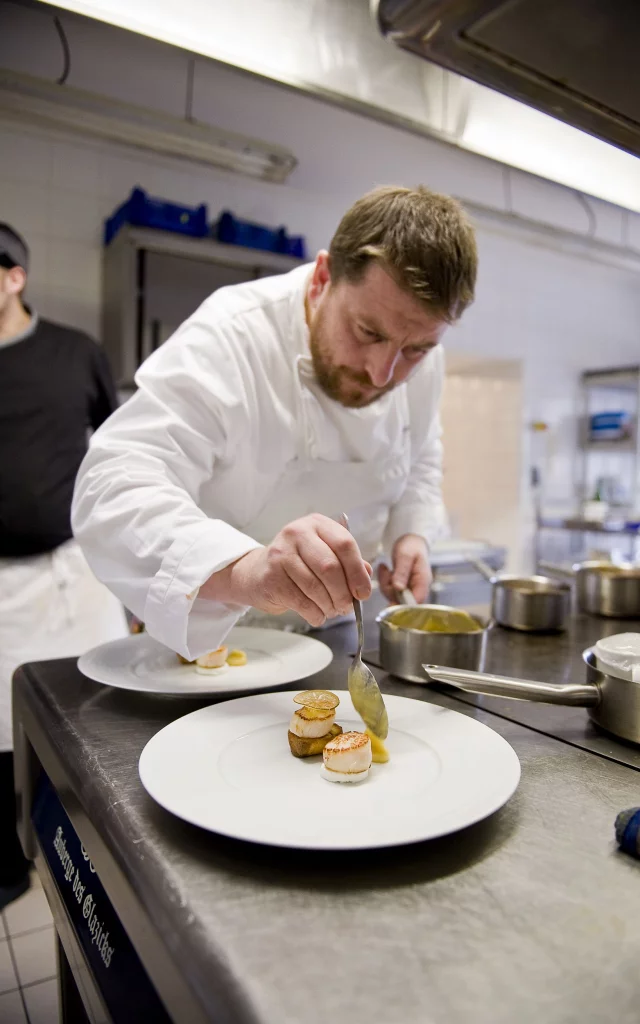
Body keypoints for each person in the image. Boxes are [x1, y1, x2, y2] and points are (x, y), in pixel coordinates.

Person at [72, 185, 477, 660]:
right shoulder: (233, 334)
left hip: (343, 639)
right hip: (215, 641)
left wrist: (412, 533)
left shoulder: (425, 358)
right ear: (324, 277)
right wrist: (245, 570)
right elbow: (111, 484)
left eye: (415, 350)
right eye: (367, 332)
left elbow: (421, 455)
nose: (381, 373)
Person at [0, 224, 128, 907]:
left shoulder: (74, 353)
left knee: (88, 722)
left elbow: (119, 453)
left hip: (64, 577)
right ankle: (8, 864)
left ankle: (91, 846)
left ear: (13, 276)